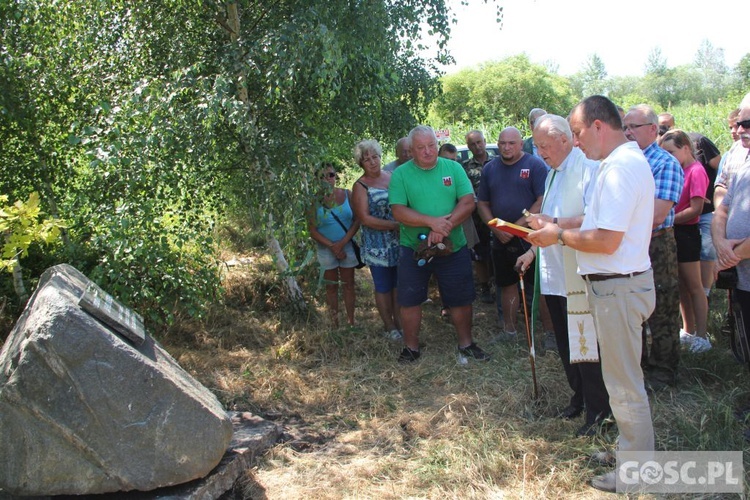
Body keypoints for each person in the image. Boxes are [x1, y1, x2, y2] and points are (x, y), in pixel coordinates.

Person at [528, 95, 656, 493]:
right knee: (619, 377)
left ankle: (636, 471)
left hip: (619, 287)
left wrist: (559, 235)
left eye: (579, 133)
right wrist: (559, 227)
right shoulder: (616, 165)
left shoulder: (619, 169)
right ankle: (628, 448)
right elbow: (597, 222)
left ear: (598, 126)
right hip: (616, 286)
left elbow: (605, 239)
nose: (577, 142)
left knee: (623, 382)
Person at [516, 113, 610, 437]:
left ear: (564, 139)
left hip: (580, 271)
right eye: (537, 146)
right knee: (567, 343)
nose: (539, 152)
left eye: (544, 145)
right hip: (555, 272)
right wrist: (531, 250)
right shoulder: (552, 174)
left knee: (587, 344)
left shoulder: (588, 167)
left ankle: (599, 411)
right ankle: (579, 397)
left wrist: (553, 223)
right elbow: (550, 220)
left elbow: (592, 218)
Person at [389, 125, 489, 363]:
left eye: (432, 145)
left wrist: (445, 226)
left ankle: (466, 343)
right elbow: (398, 211)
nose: (427, 151)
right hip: (414, 248)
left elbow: (467, 202)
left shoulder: (453, 168)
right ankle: (411, 348)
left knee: (461, 297)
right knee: (410, 299)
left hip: (454, 246)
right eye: (421, 148)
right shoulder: (401, 174)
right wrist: (431, 223)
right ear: (411, 150)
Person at [623, 104, 683, 391]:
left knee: (662, 309)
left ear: (653, 129)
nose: (627, 132)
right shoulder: (622, 161)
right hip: (628, 244)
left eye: (633, 127)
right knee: (634, 308)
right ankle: (641, 366)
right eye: (624, 127)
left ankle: (663, 373)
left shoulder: (664, 163)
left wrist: (618, 222)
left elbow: (657, 214)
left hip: (657, 244)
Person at [477, 127, 546, 339]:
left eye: (511, 143)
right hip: (501, 238)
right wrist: (495, 227)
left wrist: (515, 226)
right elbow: (482, 203)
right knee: (506, 283)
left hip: (531, 236)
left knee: (539, 287)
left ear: (520, 144)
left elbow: (542, 200)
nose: (506, 147)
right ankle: (509, 330)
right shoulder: (490, 168)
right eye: (502, 143)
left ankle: (549, 333)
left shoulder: (535, 165)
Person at [712, 104, 750, 440]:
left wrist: (733, 252)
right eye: (739, 122)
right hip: (740, 269)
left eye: (747, 123)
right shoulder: (737, 153)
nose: (740, 128)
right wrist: (720, 242)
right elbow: (722, 198)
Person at [659, 129, 711, 352]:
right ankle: (688, 330)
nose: (668, 157)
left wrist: (668, 219)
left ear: (686, 148)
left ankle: (702, 335)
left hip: (687, 234)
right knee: (681, 286)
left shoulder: (696, 171)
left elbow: (696, 209)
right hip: (675, 232)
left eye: (671, 151)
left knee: (694, 286)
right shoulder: (679, 169)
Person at [351, 140, 402, 340]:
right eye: (367, 159)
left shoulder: (392, 176)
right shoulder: (360, 186)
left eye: (375, 157)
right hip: (377, 245)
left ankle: (400, 323)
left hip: (400, 242)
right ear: (361, 164)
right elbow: (364, 218)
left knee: (399, 284)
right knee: (383, 286)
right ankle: (389, 326)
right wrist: (395, 225)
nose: (372, 162)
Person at [307, 163, 360, 328]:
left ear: (335, 176)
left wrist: (342, 244)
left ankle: (351, 322)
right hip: (326, 250)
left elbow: (357, 220)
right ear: (317, 180)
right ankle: (334, 324)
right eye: (322, 176)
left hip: (347, 247)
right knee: (331, 288)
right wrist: (333, 247)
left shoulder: (347, 194)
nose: (327, 179)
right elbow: (312, 230)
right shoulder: (313, 201)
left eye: (330, 175)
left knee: (349, 285)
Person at [438, 143, 478, 321]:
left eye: (454, 160)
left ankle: (463, 306)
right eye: (446, 159)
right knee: (441, 268)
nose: (450, 163)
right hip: (438, 229)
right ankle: (446, 305)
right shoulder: (433, 175)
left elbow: (471, 201)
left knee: (462, 269)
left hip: (462, 227)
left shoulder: (459, 174)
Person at [463, 130, 495, 304]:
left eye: (479, 142)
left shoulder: (498, 162)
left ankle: (500, 285)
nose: (477, 146)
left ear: (484, 141)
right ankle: (484, 287)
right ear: (468, 147)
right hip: (477, 218)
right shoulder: (465, 167)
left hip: (498, 215)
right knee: (480, 255)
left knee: (498, 252)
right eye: (472, 144)